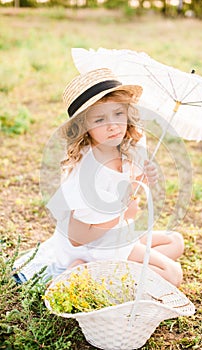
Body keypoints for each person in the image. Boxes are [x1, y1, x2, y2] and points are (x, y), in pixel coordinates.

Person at [14, 68, 184, 287]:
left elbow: (127, 183)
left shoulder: (124, 146)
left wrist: (142, 178)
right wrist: (122, 212)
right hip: (90, 246)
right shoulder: (85, 174)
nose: (112, 125)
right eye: (100, 119)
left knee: (175, 242)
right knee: (172, 274)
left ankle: (99, 274)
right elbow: (77, 237)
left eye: (118, 114)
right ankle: (82, 271)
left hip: (116, 235)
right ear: (84, 126)